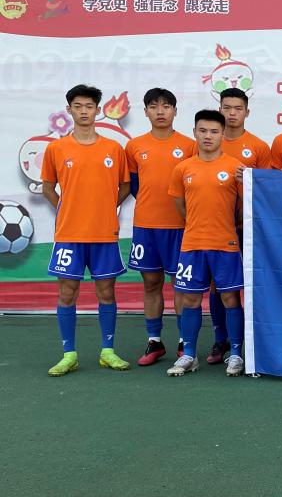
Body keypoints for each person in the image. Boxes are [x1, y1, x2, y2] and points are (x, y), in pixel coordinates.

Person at [42, 84, 131, 377]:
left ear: (97, 110)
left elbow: (125, 186)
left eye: (89, 106)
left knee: (106, 292)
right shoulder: (56, 148)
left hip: (104, 234)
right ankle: (69, 354)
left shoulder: (113, 149)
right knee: (67, 293)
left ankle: (108, 351)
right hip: (69, 235)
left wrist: (105, 207)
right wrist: (66, 208)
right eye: (78, 106)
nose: (84, 111)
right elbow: (48, 187)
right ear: (69, 110)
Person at [167, 110, 246, 378]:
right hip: (192, 244)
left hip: (225, 244)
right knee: (190, 298)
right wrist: (196, 225)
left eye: (214, 131)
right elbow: (180, 205)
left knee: (229, 298)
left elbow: (243, 209)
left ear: (223, 134)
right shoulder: (183, 168)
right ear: (195, 133)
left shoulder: (235, 168)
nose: (208, 136)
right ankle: (189, 354)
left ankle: (235, 353)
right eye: (203, 131)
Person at [125, 87, 195, 367]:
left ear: (175, 111)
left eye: (166, 106)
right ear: (145, 112)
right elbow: (135, 186)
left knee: (180, 285)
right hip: (146, 226)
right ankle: (154, 340)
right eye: (154, 107)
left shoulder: (189, 145)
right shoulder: (134, 146)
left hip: (180, 227)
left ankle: (184, 341)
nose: (160, 111)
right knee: (151, 283)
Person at [213, 86, 269, 365]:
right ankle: (220, 339)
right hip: (217, 228)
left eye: (238, 108)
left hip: (250, 229)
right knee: (217, 286)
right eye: (227, 108)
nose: (232, 113)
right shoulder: (208, 141)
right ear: (220, 109)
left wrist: (249, 179)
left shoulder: (259, 147)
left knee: (253, 284)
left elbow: (268, 189)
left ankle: (252, 342)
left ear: (247, 112)